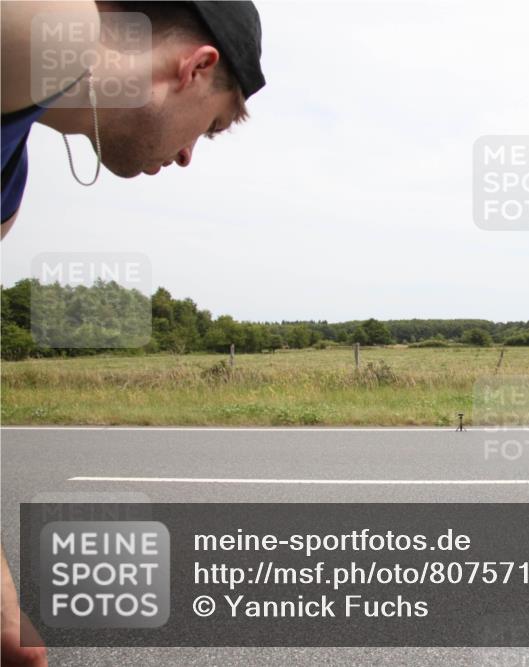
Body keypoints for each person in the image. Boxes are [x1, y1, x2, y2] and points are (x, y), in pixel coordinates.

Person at [0, 2, 265, 664]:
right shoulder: (50, 27)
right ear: (197, 67)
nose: (183, 156)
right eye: (206, 130)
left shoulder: (8, 183)